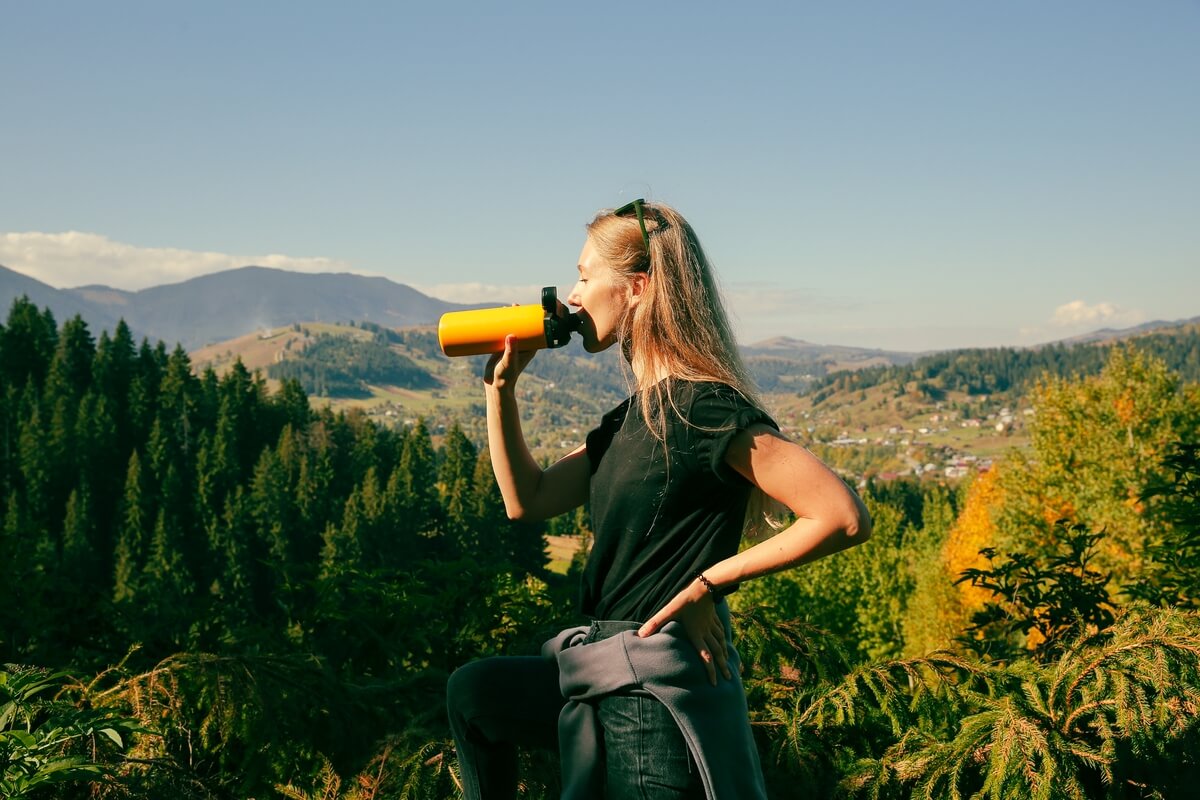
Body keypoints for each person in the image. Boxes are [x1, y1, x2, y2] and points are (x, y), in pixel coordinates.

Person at [446, 199, 872, 799]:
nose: (572, 295)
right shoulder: (627, 421)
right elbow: (530, 499)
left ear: (638, 287)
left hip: (652, 694)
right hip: (599, 671)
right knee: (474, 694)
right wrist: (500, 392)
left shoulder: (703, 408)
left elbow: (841, 515)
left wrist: (707, 585)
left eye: (587, 277)